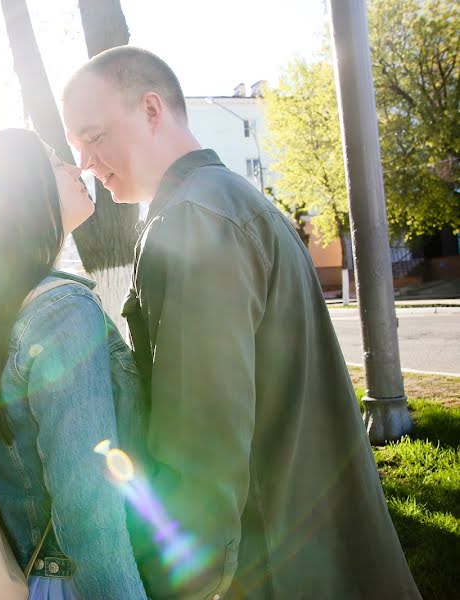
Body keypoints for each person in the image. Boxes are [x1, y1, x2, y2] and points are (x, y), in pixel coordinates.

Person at [61, 46, 420, 599]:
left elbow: (202, 449)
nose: (85, 162)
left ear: (152, 111)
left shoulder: (191, 222)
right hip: (305, 548)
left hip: (266, 564)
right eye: (76, 147)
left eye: (94, 136)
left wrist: (180, 586)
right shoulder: (229, 201)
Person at [0, 128, 148, 600]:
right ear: (20, 195)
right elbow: (89, 506)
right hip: (75, 582)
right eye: (54, 162)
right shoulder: (62, 310)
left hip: (24, 577)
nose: (77, 167)